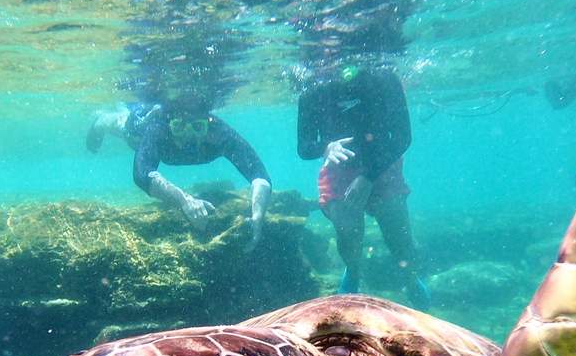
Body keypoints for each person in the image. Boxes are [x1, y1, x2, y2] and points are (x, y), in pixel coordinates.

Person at [297, 64, 430, 308]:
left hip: (383, 162)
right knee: (348, 231)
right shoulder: (312, 89)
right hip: (339, 168)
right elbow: (304, 147)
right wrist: (325, 148)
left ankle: (410, 277)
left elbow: (403, 138)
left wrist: (368, 177)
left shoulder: (383, 78)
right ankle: (353, 270)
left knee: (399, 236)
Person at [86, 100, 272, 249]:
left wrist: (258, 216)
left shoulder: (218, 132)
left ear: (207, 125)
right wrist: (184, 201)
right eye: (179, 127)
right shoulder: (158, 128)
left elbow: (259, 174)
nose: (188, 136)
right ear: (170, 125)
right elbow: (141, 174)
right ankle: (100, 121)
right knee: (126, 128)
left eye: (197, 127)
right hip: (138, 130)